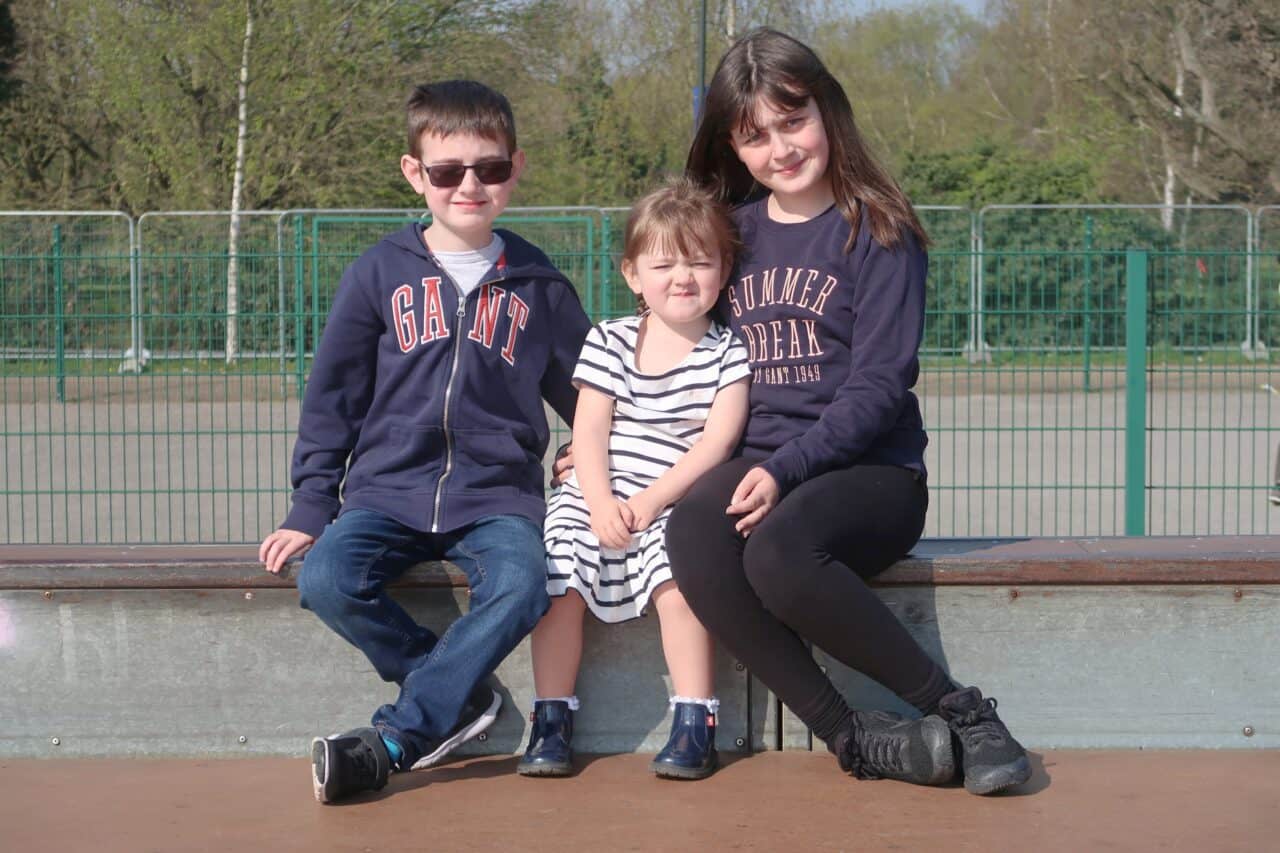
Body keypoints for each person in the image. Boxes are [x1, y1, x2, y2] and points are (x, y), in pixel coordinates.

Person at [670, 28, 1032, 796]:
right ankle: (854, 735)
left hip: (871, 472)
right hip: (762, 463)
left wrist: (783, 468)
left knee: (775, 551)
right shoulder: (729, 234)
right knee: (692, 529)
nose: (781, 147)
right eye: (755, 135)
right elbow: (667, 336)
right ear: (733, 147)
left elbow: (878, 387)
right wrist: (600, 446)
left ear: (828, 111)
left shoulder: (879, 230)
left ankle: (962, 711)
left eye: (792, 121)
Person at [257, 80, 591, 804]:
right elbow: (332, 400)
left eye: (490, 168)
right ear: (416, 174)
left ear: (515, 168)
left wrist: (585, 453)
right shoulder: (377, 274)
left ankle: (398, 737)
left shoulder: (541, 285)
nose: (470, 185)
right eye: (447, 171)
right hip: (386, 492)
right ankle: (460, 699)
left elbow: (589, 395)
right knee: (324, 578)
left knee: (523, 582)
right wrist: (311, 505)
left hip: (497, 498)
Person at [517, 178, 751, 780]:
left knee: (682, 578)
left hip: (672, 496)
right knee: (559, 569)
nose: (683, 277)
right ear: (632, 274)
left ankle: (695, 719)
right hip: (596, 491)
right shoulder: (610, 339)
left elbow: (716, 443)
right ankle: (551, 717)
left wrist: (649, 502)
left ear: (723, 272)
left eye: (700, 262)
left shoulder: (729, 352)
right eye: (664, 263)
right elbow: (590, 432)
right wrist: (598, 502)